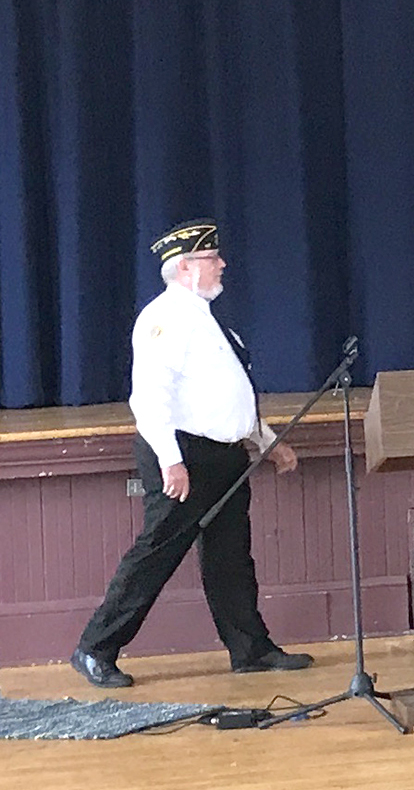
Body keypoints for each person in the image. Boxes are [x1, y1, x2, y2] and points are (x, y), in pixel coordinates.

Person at [71, 219, 309, 688]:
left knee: (230, 556)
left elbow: (226, 395)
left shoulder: (205, 316)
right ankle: (95, 648)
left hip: (224, 455)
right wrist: (169, 459)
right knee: (156, 553)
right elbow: (150, 397)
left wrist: (267, 441)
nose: (222, 264)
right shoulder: (165, 318)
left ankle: (250, 648)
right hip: (185, 455)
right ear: (184, 268)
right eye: (211, 257)